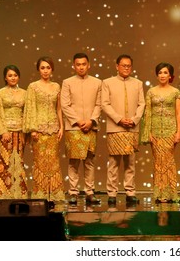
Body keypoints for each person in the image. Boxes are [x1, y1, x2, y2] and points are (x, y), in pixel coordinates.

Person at [101, 54, 145, 205]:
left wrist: (134, 120)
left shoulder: (138, 83)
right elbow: (105, 104)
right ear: (117, 66)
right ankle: (112, 193)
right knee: (114, 162)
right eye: (123, 65)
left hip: (132, 127)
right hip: (115, 127)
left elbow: (142, 104)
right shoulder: (107, 83)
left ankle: (130, 192)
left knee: (130, 162)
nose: (126, 68)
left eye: (128, 66)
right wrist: (119, 119)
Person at [60, 53, 102, 205]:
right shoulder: (67, 82)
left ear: (89, 65)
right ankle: (73, 192)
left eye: (84, 64)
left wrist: (91, 121)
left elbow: (99, 104)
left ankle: (90, 192)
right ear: (74, 66)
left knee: (89, 160)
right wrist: (78, 121)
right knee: (74, 161)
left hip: (91, 127)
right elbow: (65, 105)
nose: (81, 67)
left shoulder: (97, 83)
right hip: (73, 128)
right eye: (78, 64)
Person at [23, 56, 65, 204]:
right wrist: (33, 129)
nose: (45, 70)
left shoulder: (57, 86)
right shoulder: (33, 86)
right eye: (42, 68)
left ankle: (54, 194)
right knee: (40, 162)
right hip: (39, 129)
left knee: (53, 161)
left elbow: (59, 108)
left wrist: (62, 127)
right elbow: (30, 108)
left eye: (48, 67)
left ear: (52, 69)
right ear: (38, 70)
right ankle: (40, 194)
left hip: (54, 128)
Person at [140, 62, 180, 203]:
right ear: (157, 75)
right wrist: (148, 132)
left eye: (165, 72)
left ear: (170, 75)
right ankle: (160, 193)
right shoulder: (151, 91)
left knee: (169, 161)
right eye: (160, 73)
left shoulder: (175, 92)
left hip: (170, 131)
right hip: (155, 132)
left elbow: (177, 113)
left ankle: (170, 194)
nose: (162, 75)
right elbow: (148, 113)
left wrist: (178, 132)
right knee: (158, 162)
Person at [0, 65, 28, 199]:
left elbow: (27, 113)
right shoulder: (0, 93)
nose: (13, 78)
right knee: (6, 162)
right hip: (6, 133)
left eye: (15, 75)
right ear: (5, 77)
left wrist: (25, 132)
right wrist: (3, 131)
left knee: (19, 161)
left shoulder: (24, 93)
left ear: (19, 77)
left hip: (20, 132)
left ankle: (19, 193)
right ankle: (3, 192)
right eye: (10, 75)